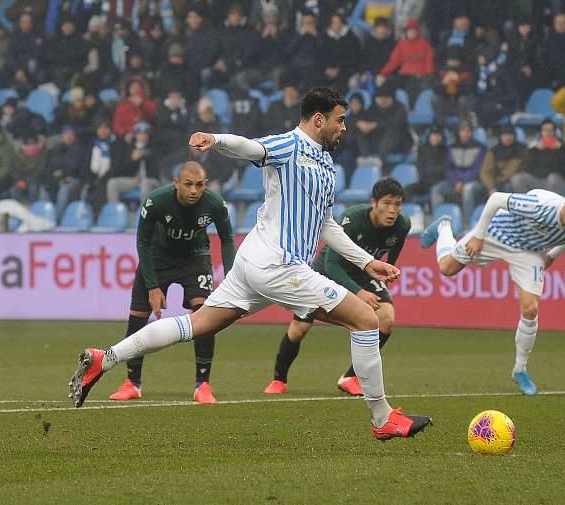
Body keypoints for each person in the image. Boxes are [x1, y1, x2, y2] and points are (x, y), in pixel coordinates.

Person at [68, 87, 431, 441]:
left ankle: (106, 357)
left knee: (198, 324)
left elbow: (326, 224)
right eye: (340, 120)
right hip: (278, 264)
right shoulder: (289, 145)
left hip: (256, 263)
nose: (344, 127)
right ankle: (382, 418)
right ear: (319, 119)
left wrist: (367, 263)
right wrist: (215, 139)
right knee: (367, 319)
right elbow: (251, 147)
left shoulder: (326, 164)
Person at [420, 186, 565, 395]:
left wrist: (552, 255)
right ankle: (444, 226)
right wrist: (478, 234)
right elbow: (495, 199)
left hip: (529, 251)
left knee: (530, 310)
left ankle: (520, 370)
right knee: (447, 268)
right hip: (497, 233)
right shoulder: (539, 208)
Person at [263, 178, 410, 396]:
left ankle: (350, 377)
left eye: (397, 204)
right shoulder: (353, 221)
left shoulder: (402, 225)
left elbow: (395, 248)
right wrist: (359, 293)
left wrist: (390, 269)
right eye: (387, 203)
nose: (392, 210)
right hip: (326, 270)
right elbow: (332, 263)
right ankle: (279, 379)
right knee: (299, 329)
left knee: (386, 318)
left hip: (362, 273)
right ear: (374, 203)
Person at [108, 161, 236, 404]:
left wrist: (231, 278)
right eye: (188, 185)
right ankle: (132, 383)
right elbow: (143, 242)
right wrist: (153, 286)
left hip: (195, 258)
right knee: (138, 316)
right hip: (158, 257)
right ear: (176, 183)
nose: (194, 191)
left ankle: (203, 384)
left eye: (199, 185)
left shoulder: (215, 204)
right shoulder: (156, 201)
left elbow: (227, 239)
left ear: (205, 185)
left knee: (204, 316)